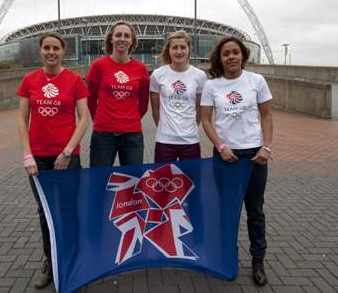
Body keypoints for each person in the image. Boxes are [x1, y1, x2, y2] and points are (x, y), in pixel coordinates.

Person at [17, 31, 89, 289]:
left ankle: (72, 259)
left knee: (68, 209)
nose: (51, 52)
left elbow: (84, 120)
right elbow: (22, 120)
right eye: (46, 48)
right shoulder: (30, 80)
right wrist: (27, 154)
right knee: (44, 211)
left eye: (55, 48)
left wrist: (68, 151)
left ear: (63, 51)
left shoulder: (74, 81)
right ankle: (50, 260)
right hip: (38, 159)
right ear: (40, 51)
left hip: (67, 157)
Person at [200, 36, 273, 286]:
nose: (231, 57)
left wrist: (266, 147)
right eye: (226, 54)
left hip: (255, 156)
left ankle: (258, 260)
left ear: (243, 55)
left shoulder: (256, 81)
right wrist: (220, 146)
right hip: (226, 157)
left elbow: (267, 115)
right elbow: (206, 120)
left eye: (235, 52)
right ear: (219, 59)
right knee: (225, 210)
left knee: (255, 211)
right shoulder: (212, 86)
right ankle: (225, 256)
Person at [86, 21, 150, 167]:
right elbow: (91, 98)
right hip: (103, 134)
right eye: (118, 35)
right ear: (111, 39)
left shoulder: (140, 68)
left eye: (127, 36)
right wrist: (101, 120)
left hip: (132, 135)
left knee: (132, 181)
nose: (122, 39)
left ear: (132, 41)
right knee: (99, 179)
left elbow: (144, 104)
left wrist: (129, 120)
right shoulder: (98, 65)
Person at [149, 30, 207, 162]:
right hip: (165, 140)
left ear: (189, 49)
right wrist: (165, 129)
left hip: (190, 140)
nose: (179, 51)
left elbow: (199, 110)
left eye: (183, 47)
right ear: (168, 50)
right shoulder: (158, 75)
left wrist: (190, 128)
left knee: (191, 181)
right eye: (175, 47)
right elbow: (155, 110)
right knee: (163, 181)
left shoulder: (200, 76)